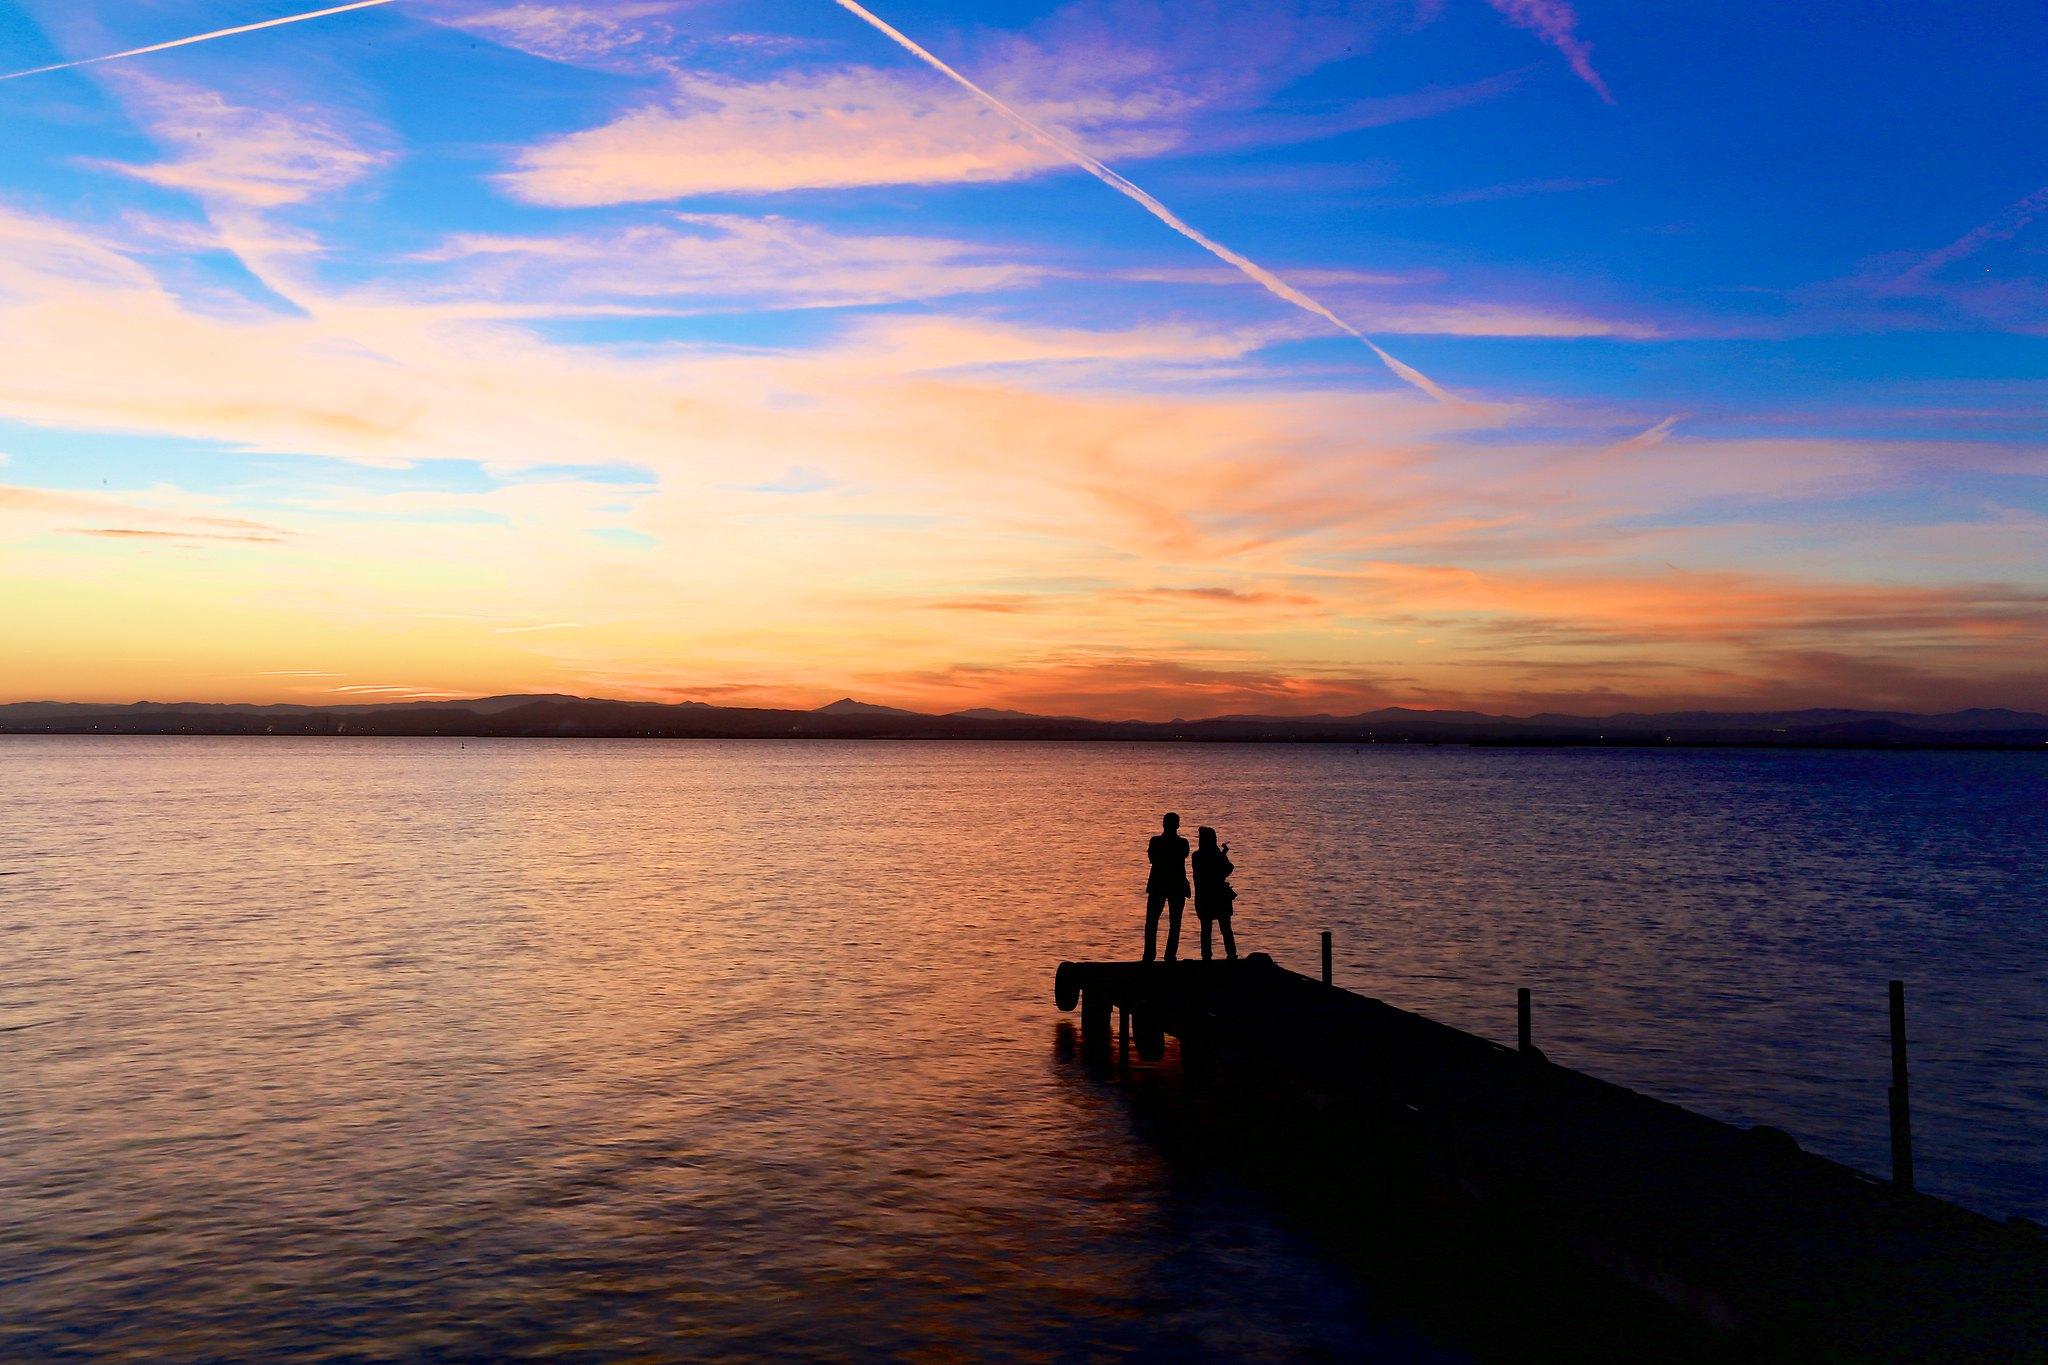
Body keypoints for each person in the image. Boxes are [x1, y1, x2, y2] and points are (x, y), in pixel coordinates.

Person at [1144, 812, 1189, 962]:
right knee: (1174, 923)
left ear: (1163, 824)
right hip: (1175, 886)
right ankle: (1169, 956)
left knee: (1153, 922)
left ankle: (1150, 955)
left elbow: (1153, 859)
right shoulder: (1182, 843)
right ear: (1177, 825)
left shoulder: (1156, 842)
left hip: (1159, 885)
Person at [1191, 826, 1237, 962]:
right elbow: (1228, 869)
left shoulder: (1197, 856)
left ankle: (1207, 958)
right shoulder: (1214, 855)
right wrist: (1221, 854)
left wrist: (1220, 854)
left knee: (1206, 929)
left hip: (1204, 897)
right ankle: (1232, 956)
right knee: (1225, 928)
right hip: (1219, 896)